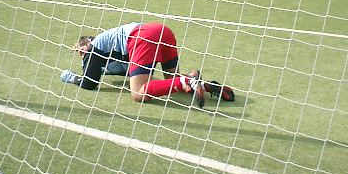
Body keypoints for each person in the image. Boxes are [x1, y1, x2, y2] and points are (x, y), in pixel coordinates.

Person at [60, 22, 235, 108]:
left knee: (138, 93)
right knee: (171, 81)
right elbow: (125, 70)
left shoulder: (94, 47)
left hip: (142, 37)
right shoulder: (107, 44)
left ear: (87, 44)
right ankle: (198, 82)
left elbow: (89, 83)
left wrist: (70, 76)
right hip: (162, 31)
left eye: (81, 51)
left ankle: (187, 81)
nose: (82, 56)